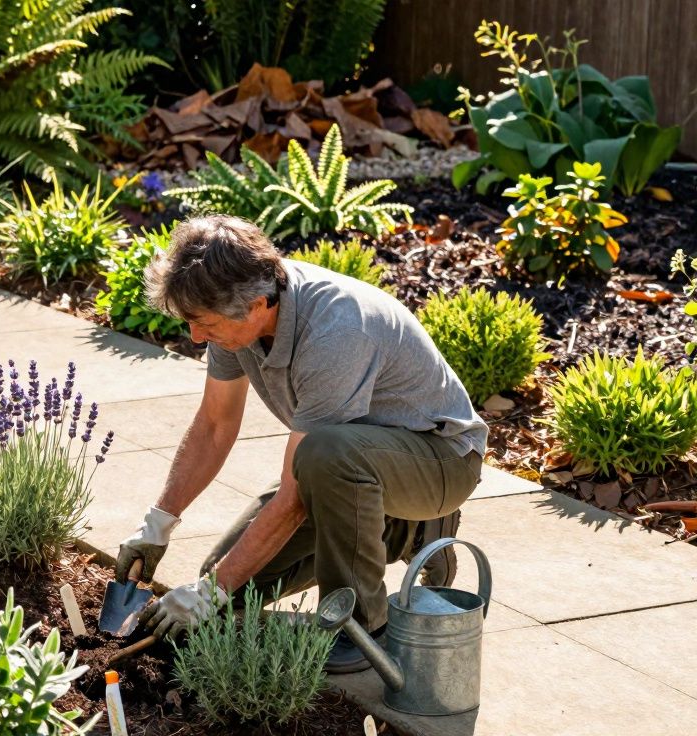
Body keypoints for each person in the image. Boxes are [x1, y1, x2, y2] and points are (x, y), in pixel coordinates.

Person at [115, 215, 487, 673]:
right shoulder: (231, 307)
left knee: (323, 457)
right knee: (234, 585)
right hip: (355, 462)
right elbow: (215, 424)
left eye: (202, 323)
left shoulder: (336, 332)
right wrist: (158, 524)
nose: (195, 336)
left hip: (439, 461)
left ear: (255, 305)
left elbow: (293, 501)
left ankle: (362, 627)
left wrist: (210, 593)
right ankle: (397, 529)